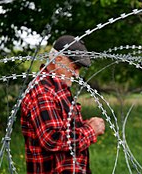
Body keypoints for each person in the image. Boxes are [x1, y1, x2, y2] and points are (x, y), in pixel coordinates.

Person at [21, 35, 105, 174]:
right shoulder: (43, 91)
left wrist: (85, 125)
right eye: (75, 67)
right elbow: (52, 139)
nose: (76, 75)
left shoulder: (58, 88)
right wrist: (90, 130)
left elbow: (64, 127)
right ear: (58, 60)